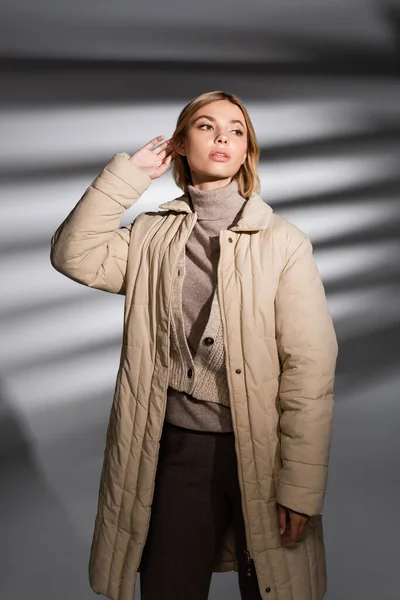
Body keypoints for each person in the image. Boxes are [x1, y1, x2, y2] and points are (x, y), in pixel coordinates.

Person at [50, 90, 338, 600]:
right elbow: (74, 254)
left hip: (263, 452)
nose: (222, 135)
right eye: (206, 126)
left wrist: (300, 487)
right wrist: (131, 175)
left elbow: (309, 371)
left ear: (247, 150)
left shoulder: (282, 242)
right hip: (176, 449)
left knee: (276, 590)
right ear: (181, 145)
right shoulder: (150, 236)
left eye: (236, 129)